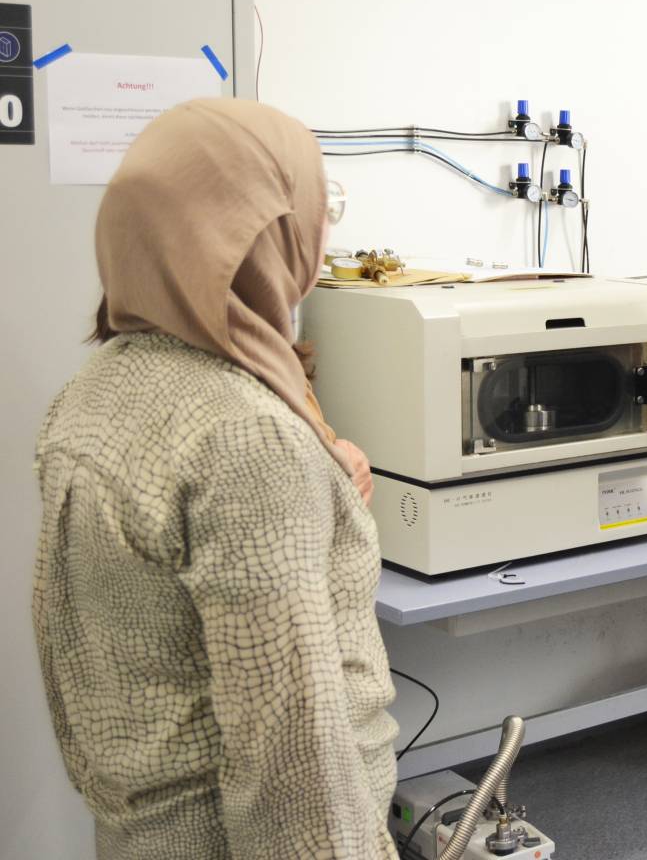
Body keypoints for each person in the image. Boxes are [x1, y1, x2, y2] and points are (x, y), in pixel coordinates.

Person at [32, 98, 401, 859]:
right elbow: (289, 758)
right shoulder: (245, 434)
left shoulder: (95, 389)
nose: (325, 231)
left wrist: (321, 494)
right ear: (263, 236)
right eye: (314, 206)